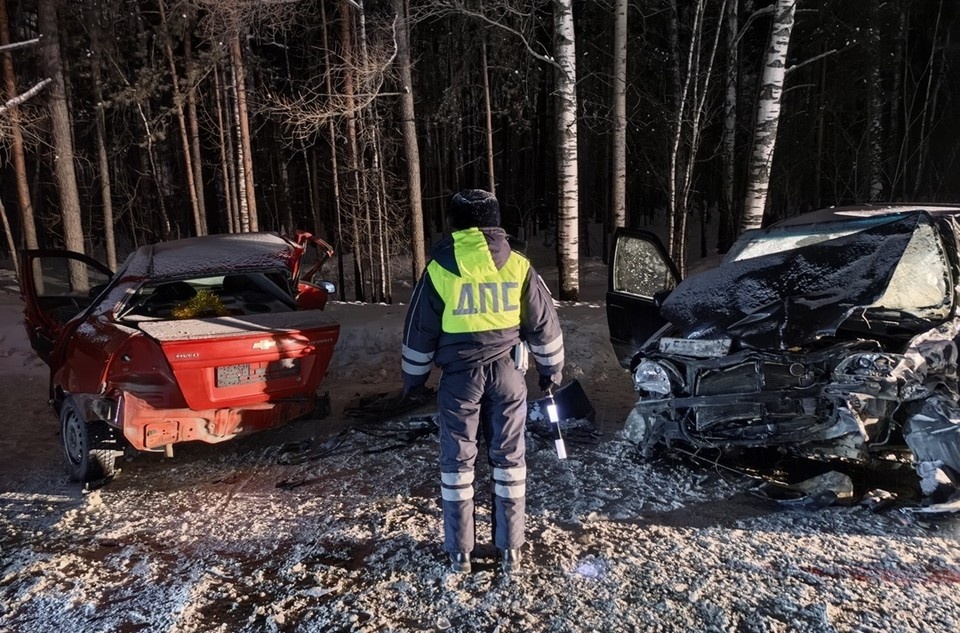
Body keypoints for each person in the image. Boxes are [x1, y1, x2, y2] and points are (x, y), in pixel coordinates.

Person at [401, 189, 564, 574]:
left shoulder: (440, 268)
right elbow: (545, 325)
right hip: (509, 375)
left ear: (455, 224)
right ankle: (511, 550)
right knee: (510, 461)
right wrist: (550, 371)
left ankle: (460, 553)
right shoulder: (519, 266)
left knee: (457, 463)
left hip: (459, 380)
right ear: (495, 223)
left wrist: (414, 380)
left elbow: (418, 331)